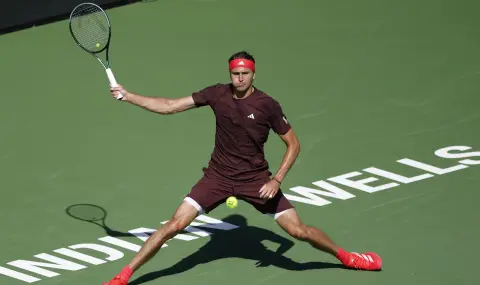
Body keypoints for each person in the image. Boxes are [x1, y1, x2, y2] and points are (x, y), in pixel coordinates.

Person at [103, 51, 382, 285]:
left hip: (255, 180)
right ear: (230, 74)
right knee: (173, 226)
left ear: (253, 74)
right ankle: (123, 276)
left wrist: (277, 180)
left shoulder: (267, 105)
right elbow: (170, 106)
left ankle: (350, 258)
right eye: (235, 73)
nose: (239, 78)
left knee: (298, 231)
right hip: (217, 177)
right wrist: (129, 96)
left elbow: (293, 145)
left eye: (244, 73)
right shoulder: (217, 94)